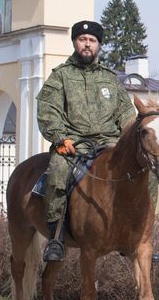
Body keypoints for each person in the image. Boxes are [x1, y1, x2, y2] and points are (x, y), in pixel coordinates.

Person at [36, 20, 136, 262]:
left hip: (109, 143)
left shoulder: (110, 79)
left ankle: (137, 235)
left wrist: (132, 135)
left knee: (143, 172)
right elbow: (47, 110)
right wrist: (60, 138)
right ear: (75, 42)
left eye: (92, 40)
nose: (87, 44)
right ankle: (56, 238)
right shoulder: (60, 76)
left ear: (99, 45)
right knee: (58, 171)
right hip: (74, 144)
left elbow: (126, 113)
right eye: (83, 40)